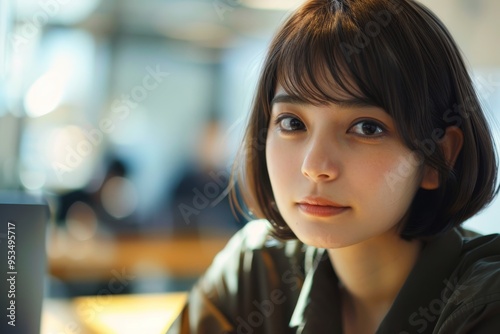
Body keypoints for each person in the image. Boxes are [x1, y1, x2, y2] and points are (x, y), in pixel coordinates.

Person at [167, 0, 500, 333]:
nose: (314, 166)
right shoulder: (256, 271)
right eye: (292, 123)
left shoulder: (484, 304)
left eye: (366, 128)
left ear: (437, 158)